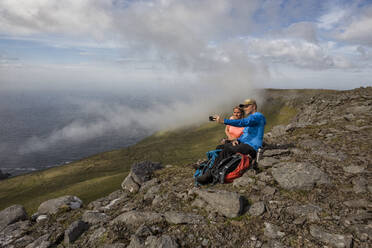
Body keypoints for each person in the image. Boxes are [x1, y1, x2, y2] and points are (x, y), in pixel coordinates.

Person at [196, 99, 266, 184]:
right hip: (244, 143)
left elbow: (243, 122)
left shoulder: (258, 116)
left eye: (247, 106)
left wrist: (223, 121)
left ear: (254, 106)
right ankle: (207, 166)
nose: (245, 108)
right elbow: (244, 135)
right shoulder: (252, 119)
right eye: (244, 107)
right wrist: (236, 140)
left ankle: (210, 175)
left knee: (228, 149)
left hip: (252, 147)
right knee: (220, 147)